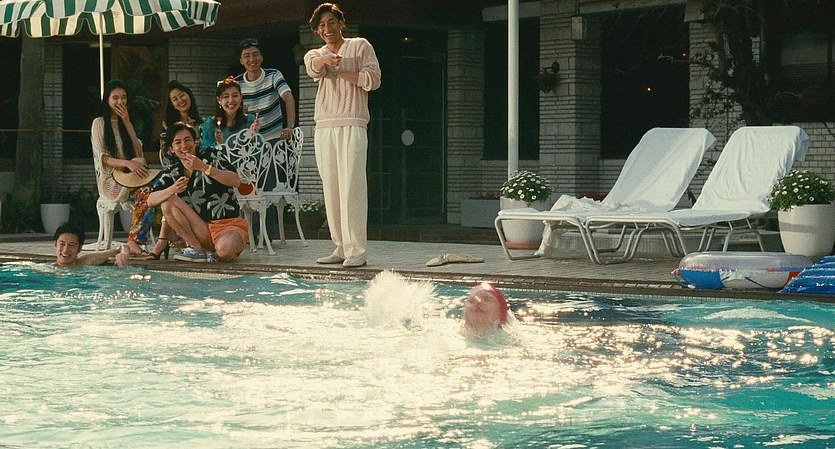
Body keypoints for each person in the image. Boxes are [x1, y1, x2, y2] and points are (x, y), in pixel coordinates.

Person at [304, 2, 381, 268]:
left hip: (353, 123)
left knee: (352, 187)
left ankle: (357, 250)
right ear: (317, 30)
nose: (327, 28)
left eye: (331, 22)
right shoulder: (315, 53)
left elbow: (373, 79)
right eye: (322, 25)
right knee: (332, 188)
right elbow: (313, 68)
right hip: (325, 126)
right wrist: (325, 60)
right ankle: (340, 246)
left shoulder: (360, 46)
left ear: (341, 23)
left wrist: (342, 72)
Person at [148, 122, 248, 263]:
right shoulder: (173, 171)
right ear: (172, 149)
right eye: (178, 142)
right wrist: (173, 189)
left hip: (227, 226)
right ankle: (197, 250)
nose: (184, 145)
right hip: (200, 229)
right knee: (167, 202)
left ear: (195, 142)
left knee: (225, 251)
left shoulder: (210, 155)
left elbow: (236, 181)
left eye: (187, 140)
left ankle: (217, 251)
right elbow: (150, 201)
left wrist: (204, 168)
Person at [235, 37, 298, 239]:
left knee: (267, 186)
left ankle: (267, 234)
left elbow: (288, 97)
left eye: (255, 55)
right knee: (245, 186)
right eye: (246, 56)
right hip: (247, 143)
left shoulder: (273, 75)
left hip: (271, 141)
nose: (251, 59)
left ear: (261, 57)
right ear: (241, 60)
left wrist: (289, 126)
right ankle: (245, 232)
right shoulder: (237, 83)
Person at [91, 79, 157, 257]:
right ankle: (135, 241)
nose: (120, 102)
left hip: (130, 177)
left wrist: (127, 122)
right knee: (148, 190)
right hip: (111, 181)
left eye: (123, 97)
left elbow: (138, 152)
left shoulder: (125, 123)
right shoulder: (99, 123)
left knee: (151, 192)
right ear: (107, 100)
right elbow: (103, 158)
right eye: (115, 98)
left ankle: (134, 241)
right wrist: (127, 163)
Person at [150, 80, 205, 260]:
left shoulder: (204, 123)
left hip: (198, 170)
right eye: (175, 99)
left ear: (189, 95)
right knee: (159, 193)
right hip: (175, 169)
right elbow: (166, 152)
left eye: (182, 95)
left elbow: (207, 149)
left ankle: (162, 241)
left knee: (169, 195)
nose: (180, 100)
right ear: (172, 104)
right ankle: (161, 240)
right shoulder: (168, 126)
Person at [201, 76, 259, 150]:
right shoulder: (210, 124)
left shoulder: (250, 120)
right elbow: (206, 151)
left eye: (235, 96)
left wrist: (254, 136)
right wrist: (218, 143)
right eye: (226, 96)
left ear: (241, 98)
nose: (231, 100)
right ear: (219, 100)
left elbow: (257, 150)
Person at [54, 223, 130, 267]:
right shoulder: (47, 270)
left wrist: (124, 254)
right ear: (55, 244)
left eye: (71, 245)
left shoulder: (86, 261)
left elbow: (122, 247)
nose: (66, 250)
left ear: (80, 248)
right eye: (62, 244)